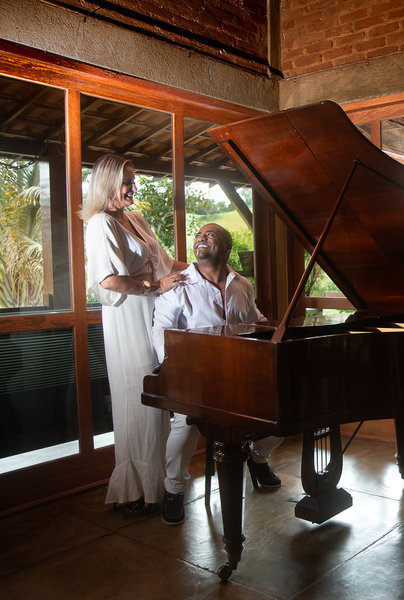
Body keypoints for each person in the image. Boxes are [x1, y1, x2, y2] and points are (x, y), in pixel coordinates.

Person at [152, 223, 283, 526]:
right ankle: (173, 488)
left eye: (210, 235)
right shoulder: (179, 285)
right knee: (185, 425)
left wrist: (276, 331)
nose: (200, 237)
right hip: (196, 375)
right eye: (198, 235)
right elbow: (161, 329)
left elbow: (255, 320)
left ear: (226, 249)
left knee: (280, 416)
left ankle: (258, 457)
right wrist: (176, 366)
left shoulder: (242, 285)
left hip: (240, 374)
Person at [81, 154, 189, 515]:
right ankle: (136, 492)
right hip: (127, 317)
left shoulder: (136, 219)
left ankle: (162, 487)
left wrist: (210, 269)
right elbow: (108, 281)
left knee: (160, 398)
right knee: (137, 400)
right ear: (107, 184)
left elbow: (168, 264)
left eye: (133, 179)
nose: (134, 187)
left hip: (155, 315)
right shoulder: (99, 224)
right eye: (127, 181)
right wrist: (156, 286)